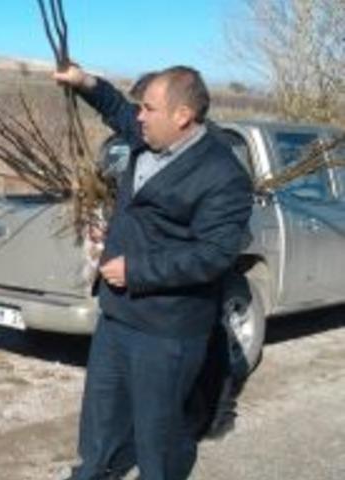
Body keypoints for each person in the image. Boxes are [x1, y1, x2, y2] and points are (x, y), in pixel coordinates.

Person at [52, 65, 254, 480]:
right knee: (99, 428)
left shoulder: (223, 175)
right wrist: (84, 82)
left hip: (167, 332)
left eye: (148, 108)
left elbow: (214, 255)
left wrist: (138, 269)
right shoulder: (148, 139)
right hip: (116, 317)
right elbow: (116, 109)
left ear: (182, 116)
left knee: (158, 439)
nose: (138, 116)